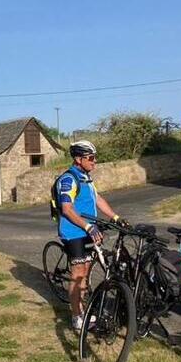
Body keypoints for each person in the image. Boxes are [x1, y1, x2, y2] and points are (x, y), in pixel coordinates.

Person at [55, 140, 123, 331]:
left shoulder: (86, 178)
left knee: (86, 270)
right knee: (78, 274)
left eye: (95, 158)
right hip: (73, 232)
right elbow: (67, 209)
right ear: (78, 159)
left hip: (87, 229)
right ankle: (77, 317)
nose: (94, 162)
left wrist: (115, 217)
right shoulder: (68, 179)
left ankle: (82, 307)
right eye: (91, 158)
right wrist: (88, 227)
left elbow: (97, 199)